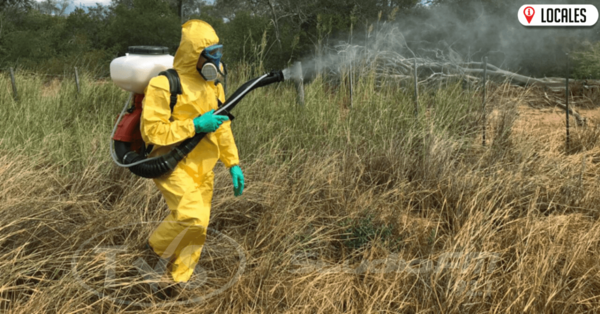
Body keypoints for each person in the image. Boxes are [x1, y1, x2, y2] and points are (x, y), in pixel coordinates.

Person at [140, 19, 244, 286]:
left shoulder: (214, 86)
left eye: (219, 52)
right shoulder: (164, 84)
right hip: (171, 164)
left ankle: (178, 282)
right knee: (191, 217)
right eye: (211, 54)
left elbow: (222, 127)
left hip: (204, 168)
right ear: (194, 55)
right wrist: (195, 125)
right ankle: (152, 251)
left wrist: (232, 163)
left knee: (198, 230)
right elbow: (152, 132)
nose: (217, 59)